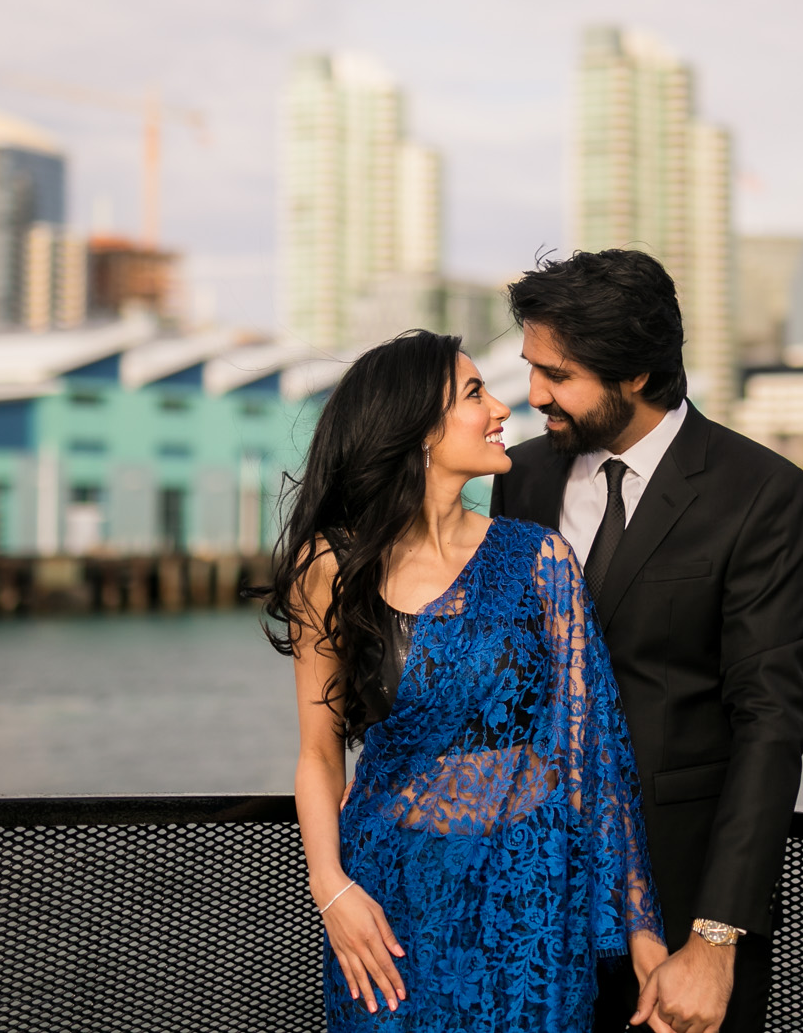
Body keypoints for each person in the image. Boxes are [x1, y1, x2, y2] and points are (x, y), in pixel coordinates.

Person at [258, 330, 667, 1031]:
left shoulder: (539, 559)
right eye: (476, 392)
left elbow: (594, 752)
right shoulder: (330, 564)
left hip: (530, 902)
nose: (503, 406)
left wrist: (643, 936)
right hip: (387, 907)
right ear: (418, 426)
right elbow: (319, 754)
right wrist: (331, 887)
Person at [489, 250, 803, 1033]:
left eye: (558, 374)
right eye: (530, 367)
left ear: (636, 374)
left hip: (682, 907)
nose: (533, 394)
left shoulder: (762, 494)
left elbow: (768, 724)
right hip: (532, 897)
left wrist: (716, 936)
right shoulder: (524, 474)